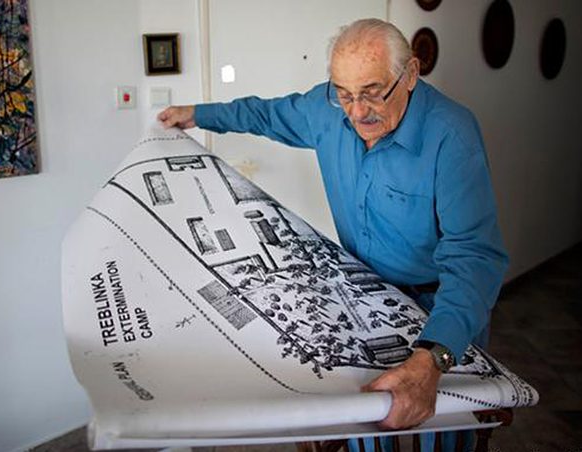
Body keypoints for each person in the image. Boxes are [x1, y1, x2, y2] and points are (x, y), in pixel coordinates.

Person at [158, 18, 508, 452]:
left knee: (440, 429)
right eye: (344, 93)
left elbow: (474, 258)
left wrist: (434, 358)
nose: (357, 112)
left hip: (441, 304)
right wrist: (197, 114)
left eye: (373, 92)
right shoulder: (326, 109)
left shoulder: (452, 134)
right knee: (363, 419)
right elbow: (264, 114)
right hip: (364, 297)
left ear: (411, 74)